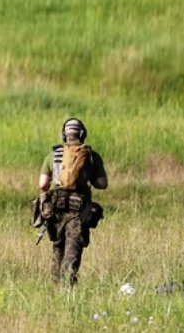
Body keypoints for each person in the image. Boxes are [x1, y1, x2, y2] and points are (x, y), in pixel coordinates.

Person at [38, 117, 108, 285]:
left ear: (64, 135)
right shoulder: (91, 156)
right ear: (82, 134)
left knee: (58, 247)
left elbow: (43, 185)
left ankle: (57, 287)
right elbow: (102, 184)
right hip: (79, 209)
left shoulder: (53, 155)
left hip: (56, 208)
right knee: (73, 249)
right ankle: (67, 287)